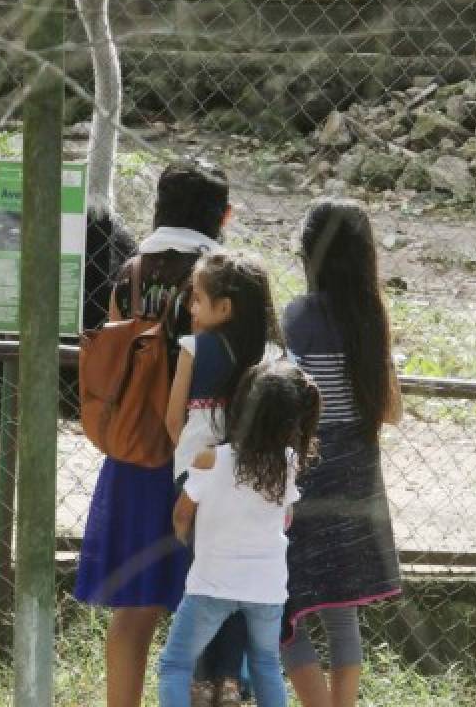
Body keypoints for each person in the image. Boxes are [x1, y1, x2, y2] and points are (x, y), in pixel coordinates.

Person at [75, 159, 232, 707]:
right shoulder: (221, 276)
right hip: (205, 456)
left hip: (135, 453)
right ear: (224, 215)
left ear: (160, 208)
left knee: (133, 608)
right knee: (208, 605)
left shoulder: (130, 270)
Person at [279, 197, 404, 707]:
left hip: (304, 472)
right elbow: (392, 412)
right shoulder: (373, 317)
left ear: (310, 253)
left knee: (286, 605)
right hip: (357, 475)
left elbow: (286, 403)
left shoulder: (297, 317)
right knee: (341, 604)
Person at [158, 360, 321, 707]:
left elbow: (181, 514)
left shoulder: (210, 459)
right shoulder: (289, 463)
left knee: (175, 664)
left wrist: (188, 541)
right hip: (267, 586)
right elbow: (285, 516)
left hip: (212, 581)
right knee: (265, 665)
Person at [164, 251, 284, 706]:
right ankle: (231, 683)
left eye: (196, 300)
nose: (191, 310)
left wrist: (190, 456)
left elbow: (173, 421)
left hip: (198, 477)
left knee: (206, 577)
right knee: (239, 582)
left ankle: (200, 682)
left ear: (225, 308)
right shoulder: (274, 355)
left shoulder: (195, 349)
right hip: (259, 481)